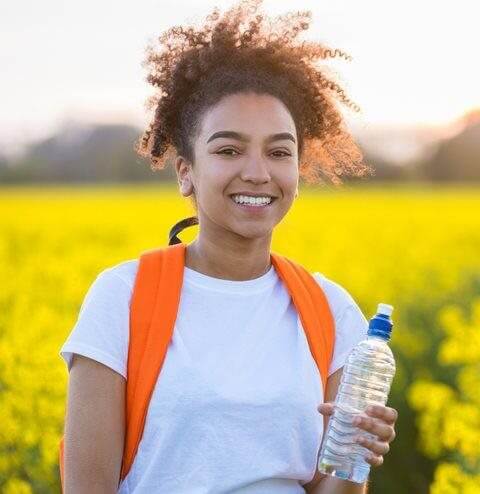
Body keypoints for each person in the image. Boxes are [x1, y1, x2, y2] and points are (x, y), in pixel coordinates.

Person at [59, 0, 397, 492]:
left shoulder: (330, 309)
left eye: (280, 151)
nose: (258, 172)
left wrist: (354, 457)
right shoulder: (122, 298)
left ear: (298, 171)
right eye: (228, 149)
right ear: (186, 172)